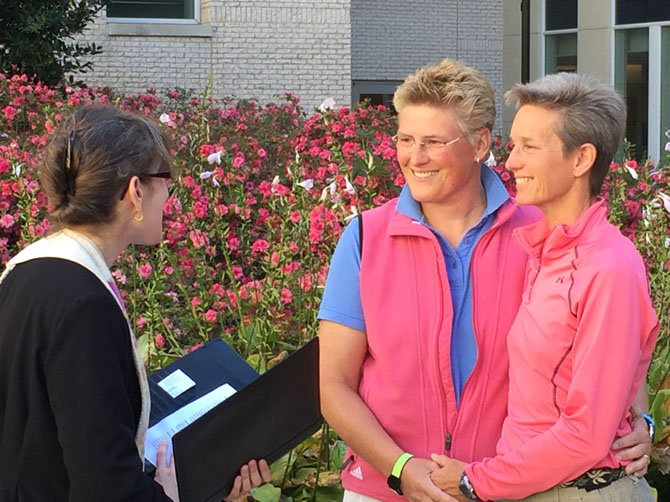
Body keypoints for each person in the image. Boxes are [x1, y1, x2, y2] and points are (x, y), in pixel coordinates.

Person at [317, 59, 654, 502]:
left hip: (506, 489)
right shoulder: (365, 239)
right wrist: (400, 469)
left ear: (478, 145)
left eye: (433, 141)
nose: (413, 158)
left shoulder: (543, 233)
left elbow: (614, 338)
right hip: (386, 490)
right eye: (405, 139)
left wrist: (638, 423)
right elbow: (334, 387)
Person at [0, 104, 271, 501]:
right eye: (166, 180)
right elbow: (105, 484)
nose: (170, 196)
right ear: (135, 190)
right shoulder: (84, 305)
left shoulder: (26, 272)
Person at [429, 73, 658, 501]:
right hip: (537, 487)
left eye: (529, 147)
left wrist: (473, 481)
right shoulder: (544, 250)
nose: (511, 162)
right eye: (514, 145)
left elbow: (586, 434)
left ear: (581, 159)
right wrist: (640, 420)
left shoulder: (608, 266)